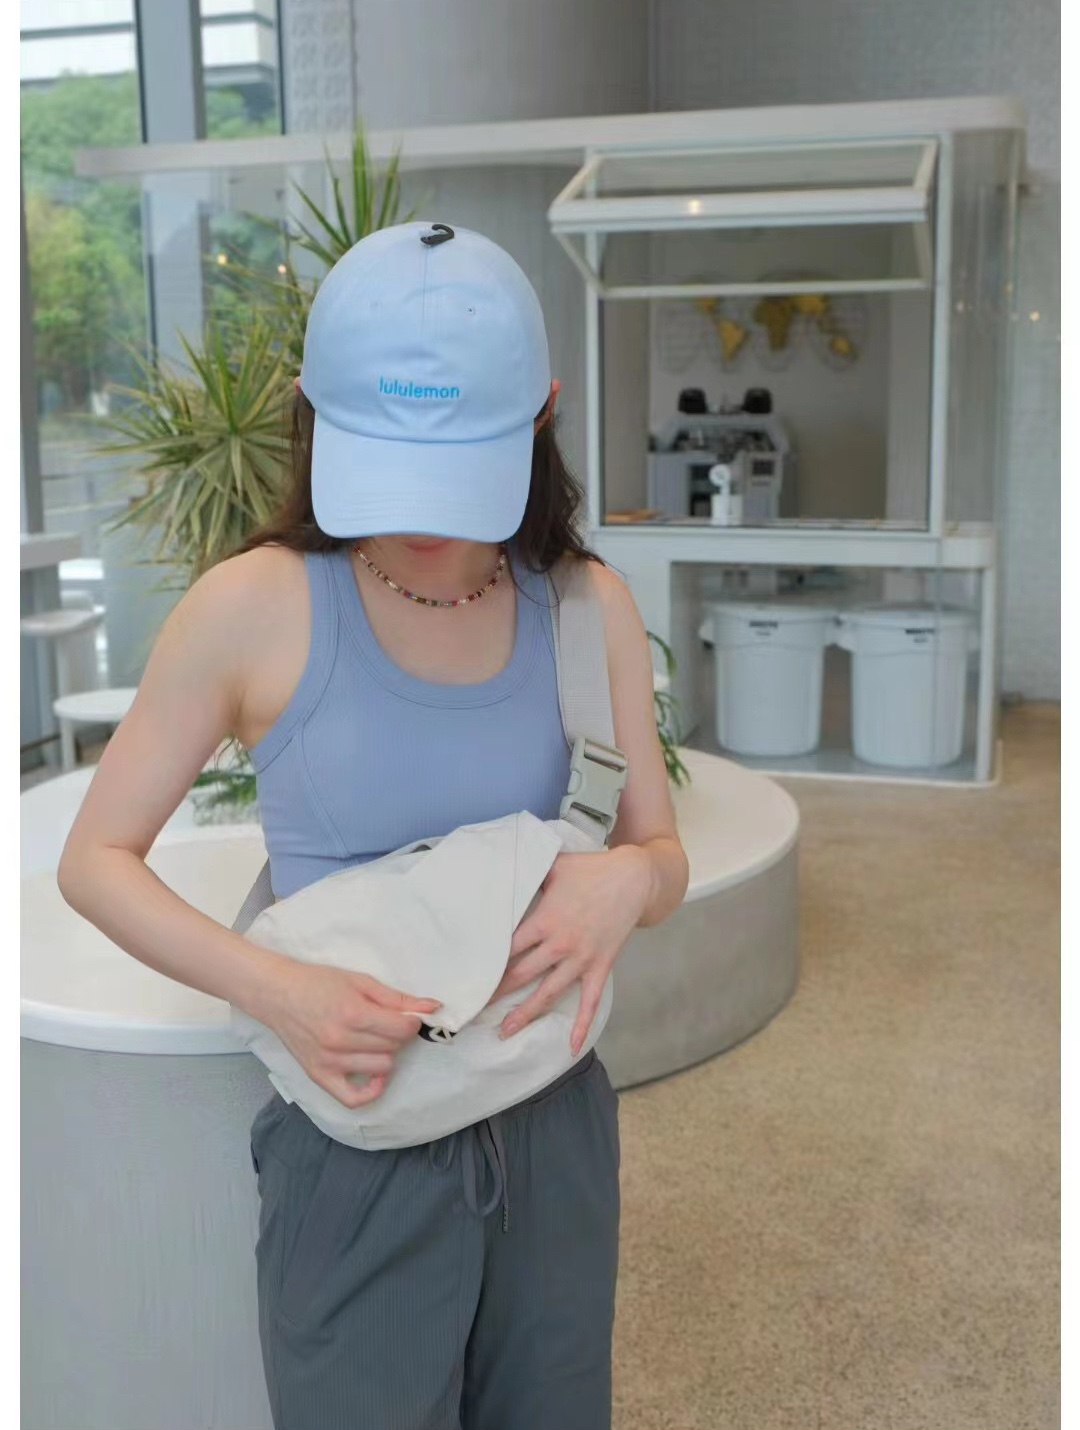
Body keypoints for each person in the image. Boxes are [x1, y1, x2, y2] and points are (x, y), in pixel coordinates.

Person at [57, 220, 690, 1430]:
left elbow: (659, 852)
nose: (421, 516)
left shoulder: (584, 606)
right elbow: (95, 859)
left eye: (457, 466)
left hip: (552, 1118)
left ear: (543, 415)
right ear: (311, 410)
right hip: (356, 1137)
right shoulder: (252, 605)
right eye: (388, 461)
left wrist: (626, 883)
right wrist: (278, 988)